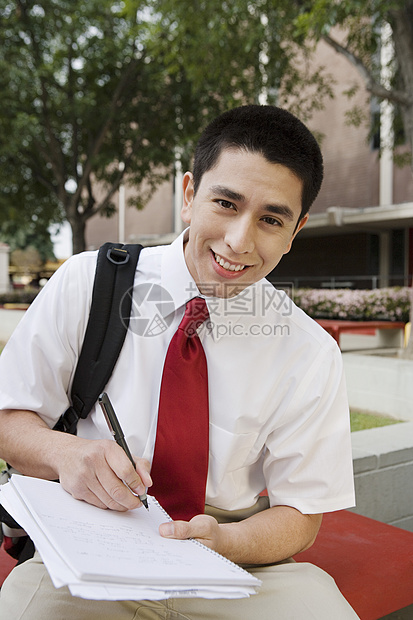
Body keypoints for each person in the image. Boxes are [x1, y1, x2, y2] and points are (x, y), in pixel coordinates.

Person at [0, 105, 359, 619]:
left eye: (271, 219)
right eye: (226, 203)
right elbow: (8, 418)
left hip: (237, 558)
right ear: (189, 195)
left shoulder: (309, 350)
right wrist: (65, 455)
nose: (239, 241)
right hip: (94, 539)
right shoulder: (86, 283)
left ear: (295, 230)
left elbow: (300, 514)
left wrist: (225, 542)